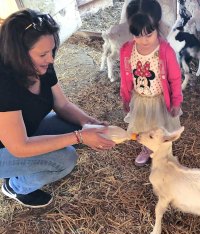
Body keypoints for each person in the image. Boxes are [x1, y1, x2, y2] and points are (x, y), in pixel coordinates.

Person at [0, 9, 115, 208]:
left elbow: (62, 104)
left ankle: (24, 172)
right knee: (65, 158)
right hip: (7, 147)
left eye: (52, 50)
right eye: (43, 54)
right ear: (19, 54)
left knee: (71, 123)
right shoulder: (4, 83)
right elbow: (20, 146)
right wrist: (79, 136)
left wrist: (89, 123)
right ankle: (15, 186)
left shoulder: (40, 65)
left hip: (25, 131)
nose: (51, 59)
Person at [120, 0, 183, 167]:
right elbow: (125, 77)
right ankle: (146, 149)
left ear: (157, 26)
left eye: (149, 34)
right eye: (137, 35)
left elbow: (175, 78)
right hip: (140, 99)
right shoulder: (127, 50)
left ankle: (163, 152)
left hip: (160, 100)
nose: (144, 40)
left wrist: (176, 100)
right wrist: (125, 98)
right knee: (143, 127)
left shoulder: (165, 51)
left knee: (160, 127)